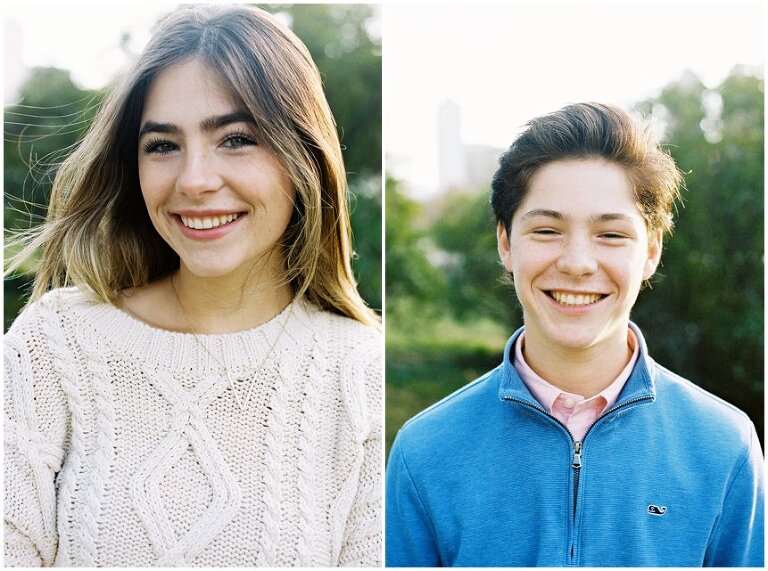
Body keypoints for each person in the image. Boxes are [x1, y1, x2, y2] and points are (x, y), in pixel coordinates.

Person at [5, 5, 381, 567]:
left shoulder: (361, 374)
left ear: (303, 155)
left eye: (235, 139)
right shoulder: (54, 344)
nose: (195, 180)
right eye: (162, 145)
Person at [385, 103, 763, 567]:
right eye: (547, 230)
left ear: (651, 252)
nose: (578, 263)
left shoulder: (724, 445)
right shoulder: (425, 452)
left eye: (611, 235)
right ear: (506, 243)